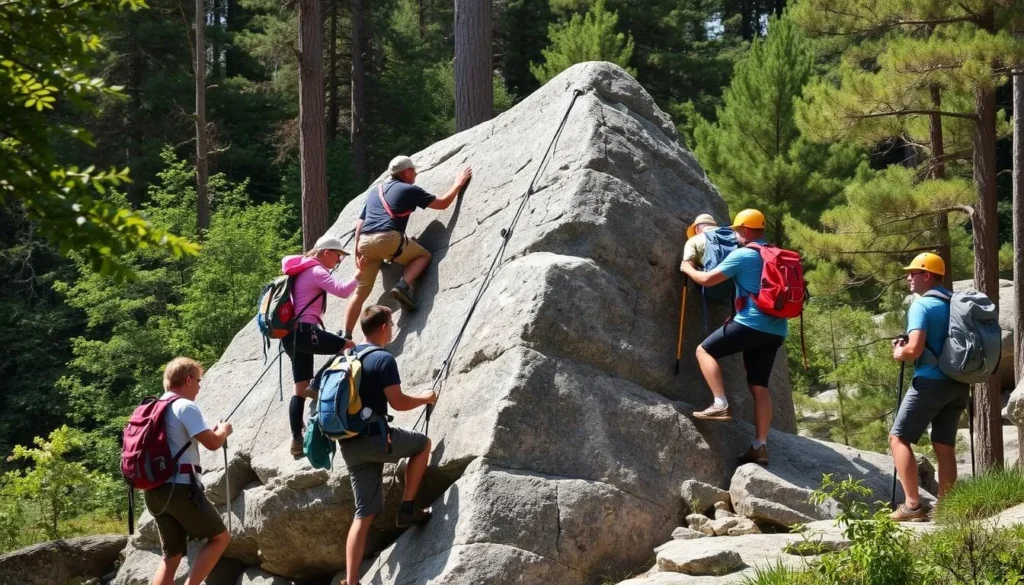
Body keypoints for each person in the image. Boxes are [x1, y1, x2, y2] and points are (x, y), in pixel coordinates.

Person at [679, 209, 787, 466]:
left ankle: (720, 403)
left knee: (704, 351)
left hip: (751, 322)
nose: (734, 235)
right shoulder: (775, 254)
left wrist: (687, 268)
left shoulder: (744, 255)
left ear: (747, 231)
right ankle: (760, 445)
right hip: (777, 330)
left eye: (737, 231)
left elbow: (707, 280)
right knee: (759, 386)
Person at [339, 305, 437, 585]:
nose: (392, 329)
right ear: (383, 327)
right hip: (374, 438)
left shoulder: (348, 356)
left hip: (349, 445)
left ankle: (351, 580)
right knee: (422, 445)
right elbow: (398, 402)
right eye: (391, 324)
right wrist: (425, 398)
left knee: (363, 513)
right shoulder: (382, 358)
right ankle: (407, 508)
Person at [342, 156, 472, 337]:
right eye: (414, 170)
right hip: (388, 239)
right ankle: (402, 286)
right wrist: (458, 184)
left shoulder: (375, 191)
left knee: (361, 291)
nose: (416, 173)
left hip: (365, 243)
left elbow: (359, 224)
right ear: (407, 172)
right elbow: (442, 204)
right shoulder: (409, 189)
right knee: (424, 255)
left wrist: (357, 253)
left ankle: (345, 335)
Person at [889, 252, 966, 522]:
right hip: (958, 383)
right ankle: (947, 509)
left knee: (898, 438)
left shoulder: (922, 306)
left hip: (930, 382)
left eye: (913, 273)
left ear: (927, 275)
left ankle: (912, 506)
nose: (909, 277)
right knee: (944, 445)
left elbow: (915, 348)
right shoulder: (954, 304)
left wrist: (900, 352)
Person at [147, 357, 233, 585]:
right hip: (181, 488)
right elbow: (213, 443)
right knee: (220, 538)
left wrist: (211, 433)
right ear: (187, 380)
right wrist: (223, 430)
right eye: (198, 380)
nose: (199, 386)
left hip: (153, 491)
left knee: (172, 555)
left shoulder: (153, 407)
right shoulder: (185, 406)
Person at [281, 233, 359, 457]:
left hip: (292, 337)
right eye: (338, 255)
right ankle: (317, 382)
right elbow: (343, 291)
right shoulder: (316, 270)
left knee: (299, 390)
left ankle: (296, 441)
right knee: (348, 346)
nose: (339, 260)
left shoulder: (299, 272)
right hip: (307, 333)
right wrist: (360, 275)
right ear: (326, 252)